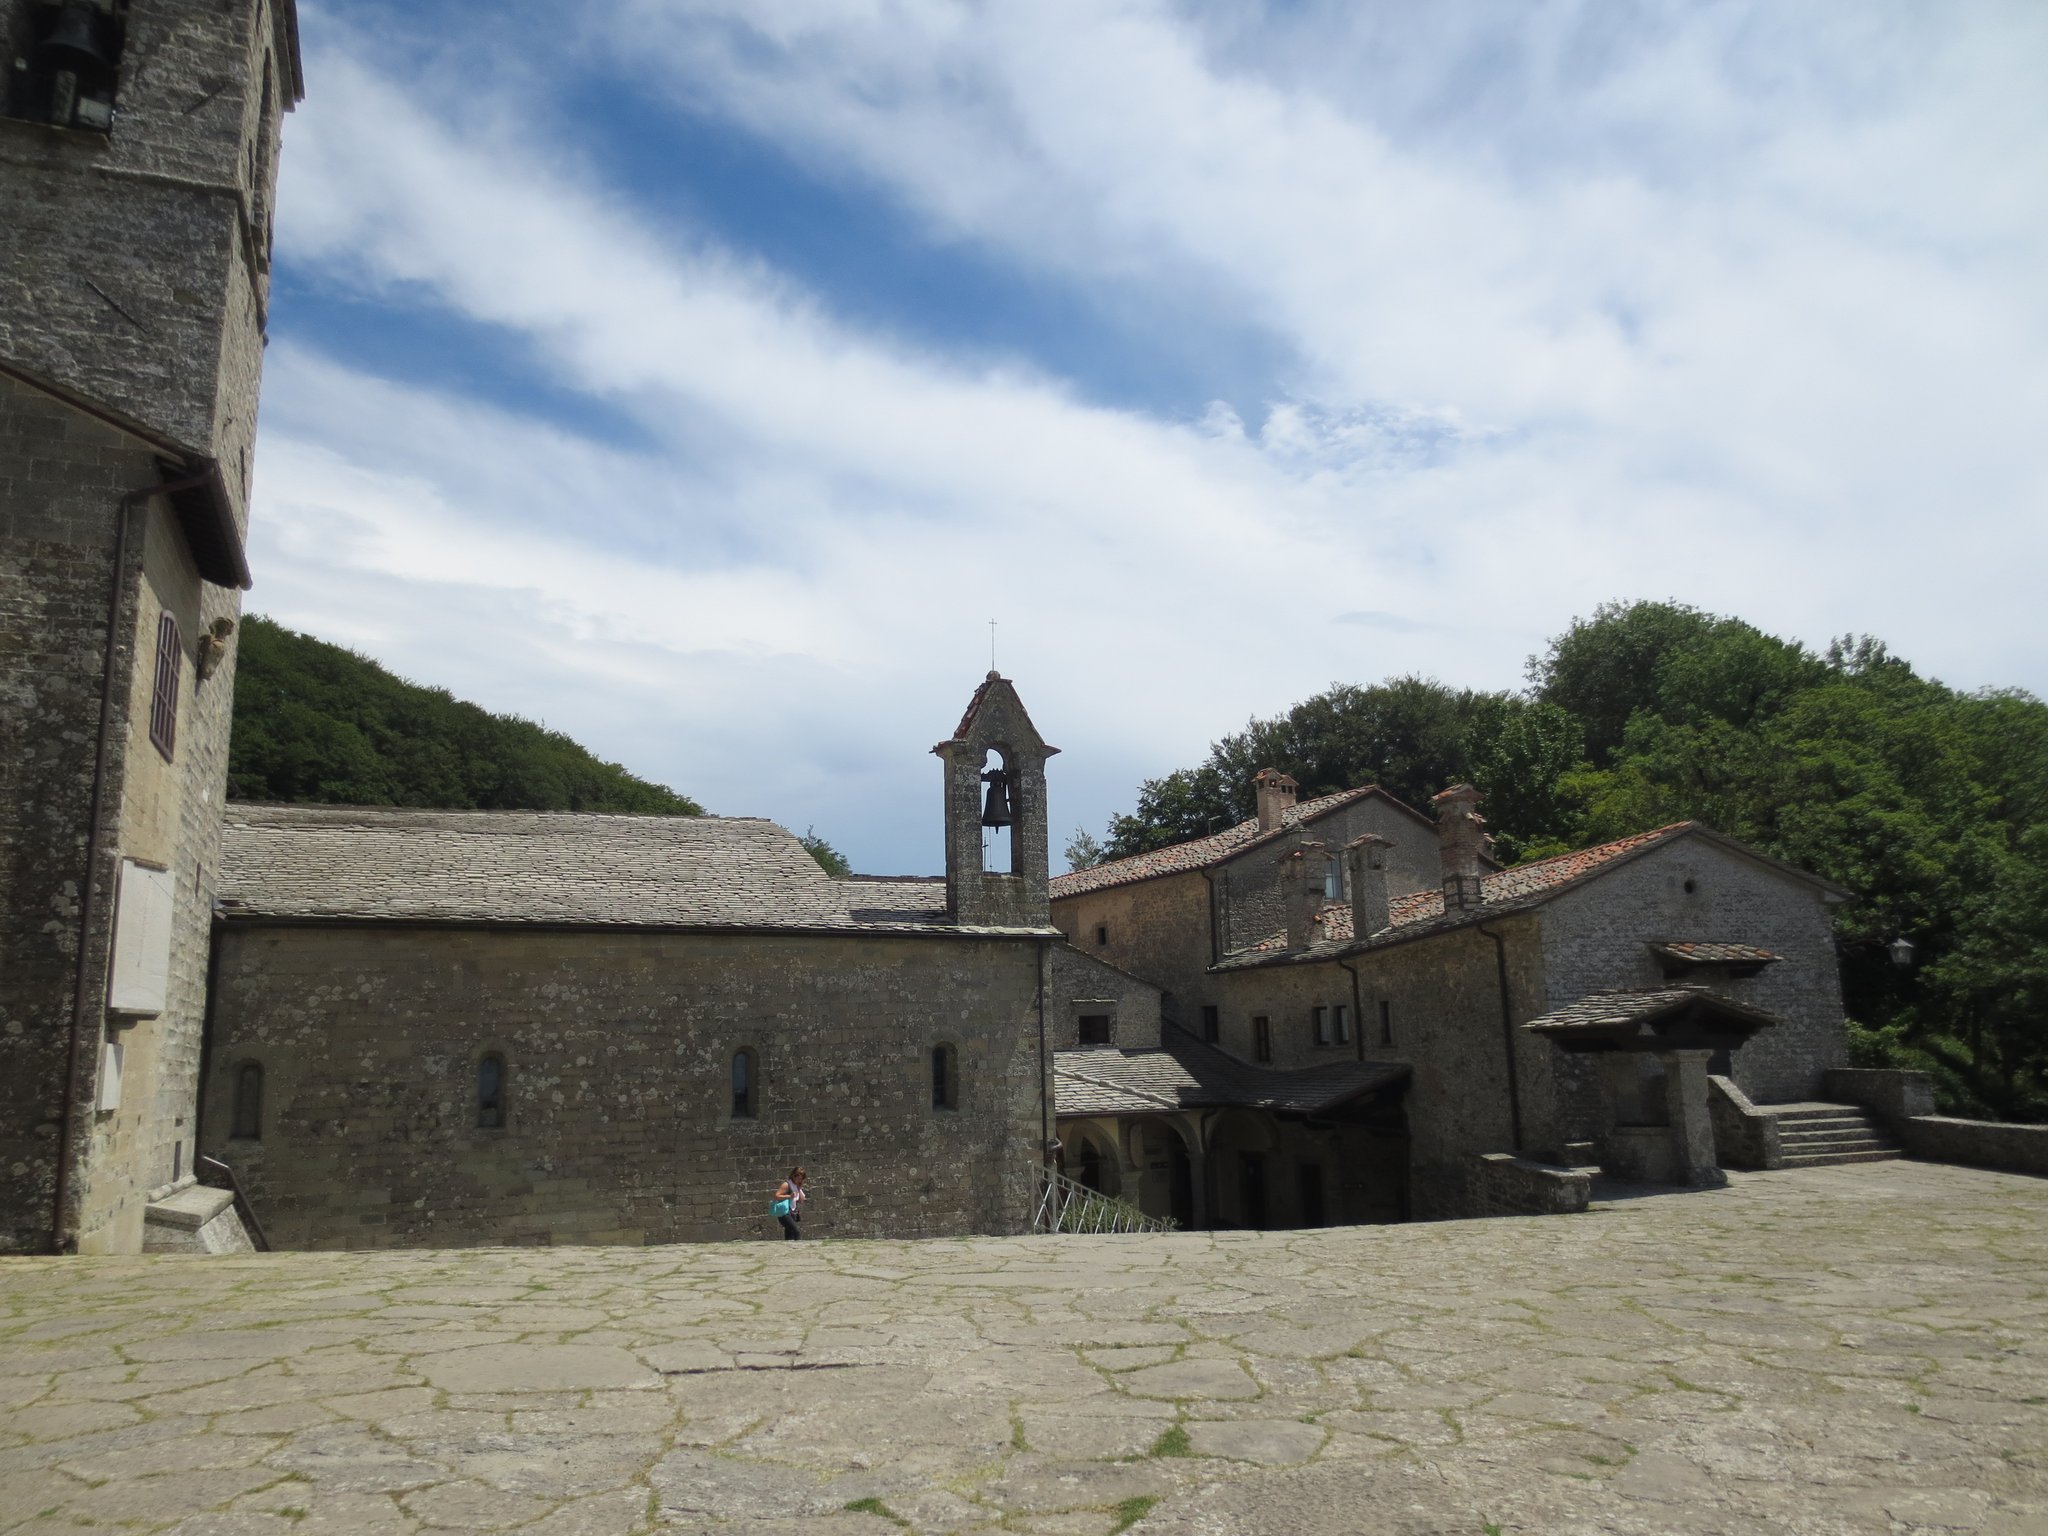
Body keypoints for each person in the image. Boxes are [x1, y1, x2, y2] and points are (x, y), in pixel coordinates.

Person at [771, 1166, 807, 1240]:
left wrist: (799, 1188)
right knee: (796, 1231)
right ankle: (799, 1248)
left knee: (789, 1234)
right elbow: (776, 1196)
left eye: (800, 1179)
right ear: (793, 1175)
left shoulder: (796, 1186)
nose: (798, 1180)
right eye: (797, 1177)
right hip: (785, 1213)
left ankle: (788, 1250)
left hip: (793, 1213)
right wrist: (789, 1196)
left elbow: (801, 1200)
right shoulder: (787, 1184)